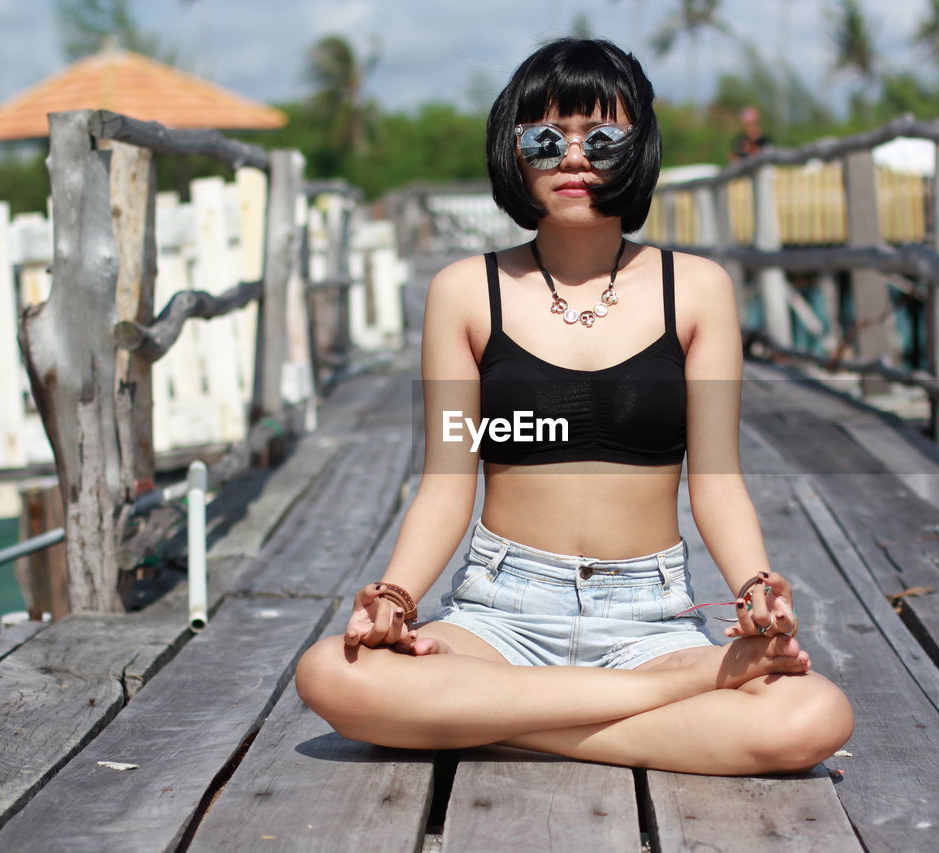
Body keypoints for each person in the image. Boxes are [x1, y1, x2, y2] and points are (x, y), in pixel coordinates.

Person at [295, 38, 854, 776]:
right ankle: (672, 691)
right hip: (500, 612)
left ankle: (486, 719)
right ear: (514, 151)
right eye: (545, 139)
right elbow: (445, 479)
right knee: (331, 672)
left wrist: (756, 587)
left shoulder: (696, 289)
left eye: (603, 138)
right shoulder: (466, 291)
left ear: (639, 148)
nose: (574, 157)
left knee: (813, 716)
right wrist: (396, 596)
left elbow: (716, 479)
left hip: (648, 616)